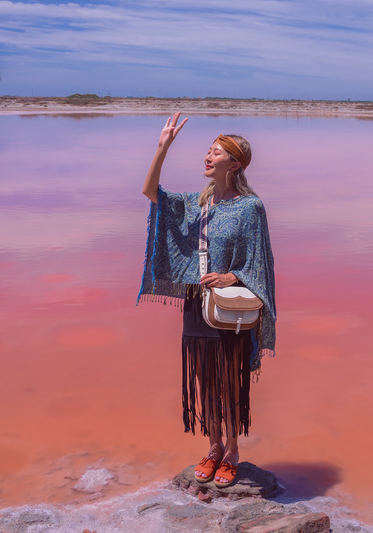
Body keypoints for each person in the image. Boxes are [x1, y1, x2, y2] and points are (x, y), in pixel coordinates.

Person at [139, 112, 276, 487]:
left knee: (229, 382)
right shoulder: (195, 203)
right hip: (196, 305)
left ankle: (232, 452)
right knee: (203, 379)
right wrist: (162, 147)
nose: (208, 157)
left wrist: (233, 275)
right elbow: (152, 193)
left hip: (229, 307)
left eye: (216, 153)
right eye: (208, 151)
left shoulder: (251, 207)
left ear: (235, 164)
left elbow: (259, 262)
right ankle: (213, 447)